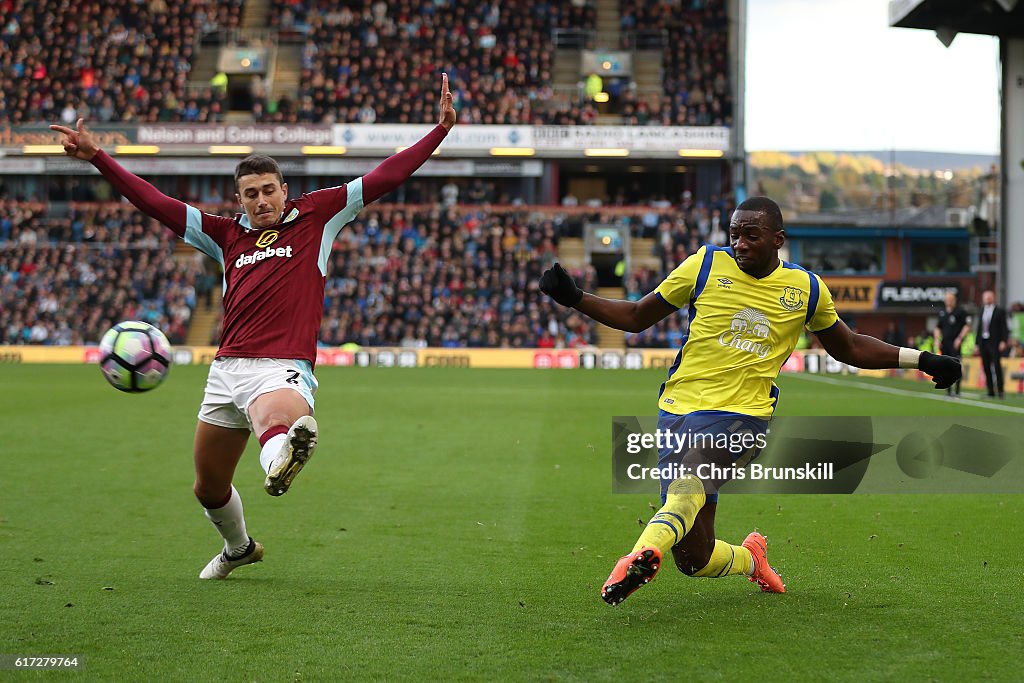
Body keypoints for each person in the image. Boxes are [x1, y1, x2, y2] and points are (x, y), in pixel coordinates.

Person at [50, 74, 457, 579]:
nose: (262, 200)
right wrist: (98, 158)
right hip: (225, 370)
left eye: (269, 190)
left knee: (273, 420)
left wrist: (437, 133)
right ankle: (239, 548)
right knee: (208, 486)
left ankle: (281, 460)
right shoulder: (222, 235)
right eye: (250, 194)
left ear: (285, 190)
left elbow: (385, 176)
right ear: (239, 199)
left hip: (282, 365)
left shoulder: (318, 215)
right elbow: (153, 202)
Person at [538, 196, 960, 605]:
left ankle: (637, 556)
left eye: (751, 236)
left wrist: (921, 358)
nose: (739, 243)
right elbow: (635, 317)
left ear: (778, 238)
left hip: (744, 417)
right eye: (734, 234)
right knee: (694, 558)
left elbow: (848, 347)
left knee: (689, 487)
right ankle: (749, 559)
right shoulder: (704, 265)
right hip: (677, 411)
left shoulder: (805, 289)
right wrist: (575, 298)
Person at [933, 291, 971, 397]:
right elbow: (937, 327)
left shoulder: (960, 311)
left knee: (956, 366)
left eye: (951, 299)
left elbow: (967, 326)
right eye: (947, 299)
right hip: (945, 343)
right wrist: (937, 339)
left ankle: (957, 390)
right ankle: (948, 390)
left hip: (955, 344)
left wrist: (959, 338)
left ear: (954, 300)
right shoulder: (942, 312)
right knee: (946, 366)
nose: (948, 301)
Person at [976, 289, 1009, 398]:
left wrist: (1004, 341)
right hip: (983, 342)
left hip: (994, 342)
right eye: (986, 297)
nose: (987, 299)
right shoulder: (981, 310)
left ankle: (1000, 391)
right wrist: (977, 343)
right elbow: (979, 328)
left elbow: (1004, 327)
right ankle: (990, 391)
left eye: (989, 297)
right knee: (986, 367)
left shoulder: (999, 311)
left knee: (996, 366)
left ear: (993, 298)